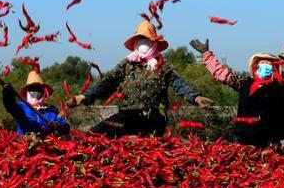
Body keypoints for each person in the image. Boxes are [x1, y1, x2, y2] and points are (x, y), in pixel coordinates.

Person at [70, 20, 212, 137]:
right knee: (90, 137)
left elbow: (179, 84)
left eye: (146, 39)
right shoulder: (127, 64)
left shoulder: (162, 66)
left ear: (154, 42)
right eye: (140, 39)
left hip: (153, 118)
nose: (143, 42)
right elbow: (107, 84)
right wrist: (83, 96)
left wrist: (196, 98)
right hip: (126, 116)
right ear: (136, 42)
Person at [189, 38, 284, 147]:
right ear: (255, 68)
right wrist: (206, 54)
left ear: (276, 69)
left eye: (269, 65)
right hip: (245, 141)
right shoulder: (243, 84)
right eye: (262, 65)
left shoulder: (283, 86)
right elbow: (222, 74)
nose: (265, 67)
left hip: (271, 142)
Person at [2, 70, 70, 137]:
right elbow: (11, 106)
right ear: (27, 91)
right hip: (24, 144)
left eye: (38, 89)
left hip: (47, 145)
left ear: (43, 92)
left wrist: (57, 125)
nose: (36, 92)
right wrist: (8, 95)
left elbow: (65, 125)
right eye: (33, 89)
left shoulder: (52, 110)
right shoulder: (21, 106)